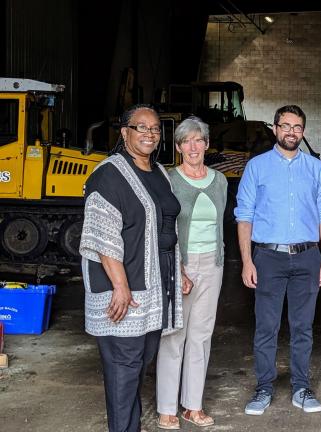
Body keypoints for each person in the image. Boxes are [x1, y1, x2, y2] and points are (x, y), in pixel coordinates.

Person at [80, 104, 183, 432]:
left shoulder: (160, 172)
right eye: (142, 128)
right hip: (125, 288)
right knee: (124, 371)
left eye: (155, 129)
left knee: (139, 365)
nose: (150, 134)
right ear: (124, 132)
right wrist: (120, 287)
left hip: (155, 286)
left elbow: (167, 229)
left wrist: (176, 271)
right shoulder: (108, 175)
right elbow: (101, 235)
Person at [235, 105, 321, 415]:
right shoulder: (257, 167)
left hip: (307, 258)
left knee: (303, 327)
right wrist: (247, 261)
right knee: (267, 326)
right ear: (275, 129)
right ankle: (263, 387)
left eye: (298, 127)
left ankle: (301, 388)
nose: (292, 131)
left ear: (303, 132)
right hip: (268, 257)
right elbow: (244, 216)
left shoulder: (315, 168)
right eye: (286, 126)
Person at [155, 117, 228, 429]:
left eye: (199, 140)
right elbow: (163, 228)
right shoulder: (169, 180)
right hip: (180, 263)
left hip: (213, 263)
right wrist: (178, 266)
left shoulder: (220, 181)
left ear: (207, 144)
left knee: (201, 335)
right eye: (186, 141)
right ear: (178, 147)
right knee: (174, 335)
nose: (193, 146)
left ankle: (192, 406)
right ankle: (166, 408)